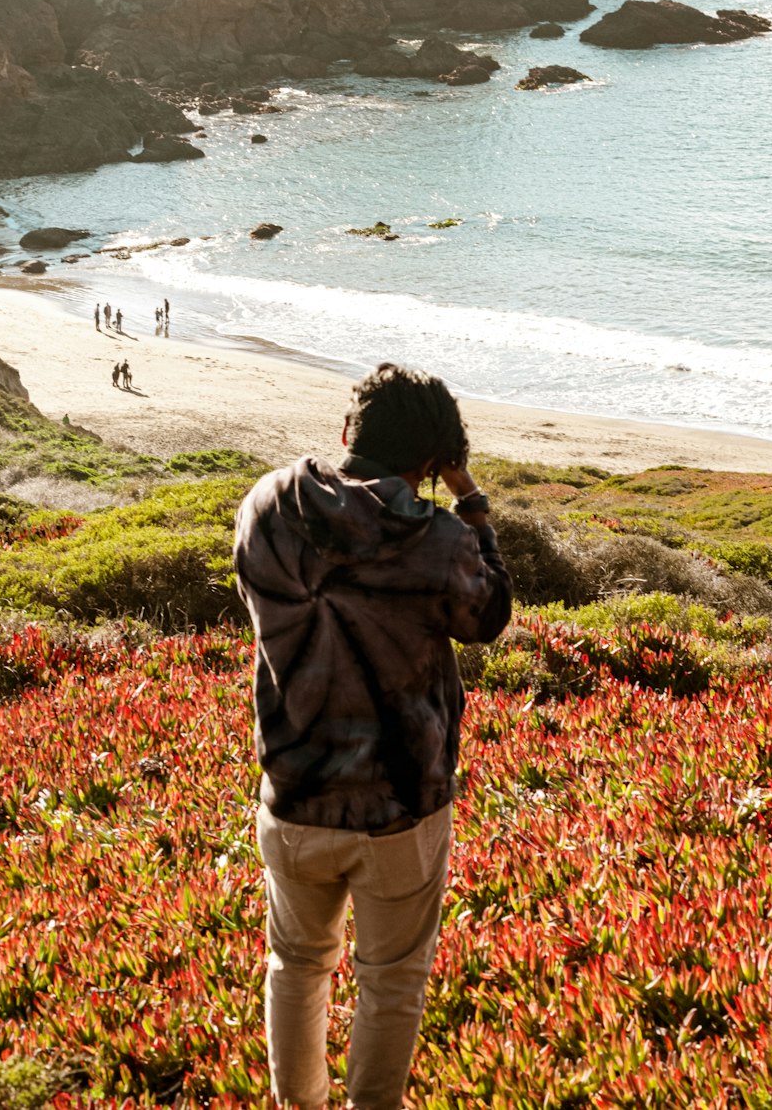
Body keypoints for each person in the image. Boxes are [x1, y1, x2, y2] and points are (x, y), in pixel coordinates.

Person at [234, 363, 511, 1110]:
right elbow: (487, 620)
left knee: (294, 963)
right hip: (401, 805)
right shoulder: (441, 539)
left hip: (293, 789)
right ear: (430, 462)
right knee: (391, 980)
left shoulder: (265, 504)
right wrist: (470, 500)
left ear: (348, 431)